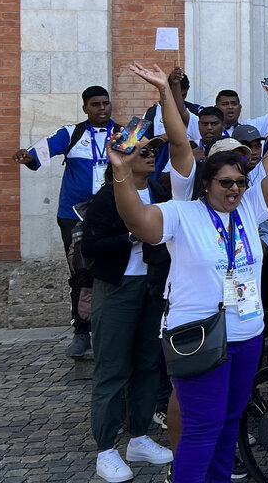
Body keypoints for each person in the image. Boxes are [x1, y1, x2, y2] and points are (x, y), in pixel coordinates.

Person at [110, 65, 268, 482]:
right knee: (202, 429)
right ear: (206, 183)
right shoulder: (182, 213)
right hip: (199, 335)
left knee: (229, 424)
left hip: (245, 333)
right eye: (226, 182)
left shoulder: (249, 207)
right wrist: (122, 169)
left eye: (241, 182)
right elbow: (139, 221)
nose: (234, 189)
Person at [81, 137, 175, 482]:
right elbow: (92, 244)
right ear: (126, 157)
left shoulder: (159, 191)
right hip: (117, 287)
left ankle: (138, 437)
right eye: (144, 151)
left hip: (152, 287)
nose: (151, 156)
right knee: (112, 368)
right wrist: (134, 236)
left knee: (148, 364)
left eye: (153, 151)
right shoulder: (109, 195)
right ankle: (106, 449)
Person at [12, 84, 115, 358]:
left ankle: (111, 334)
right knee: (80, 273)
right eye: (96, 104)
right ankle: (81, 333)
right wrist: (28, 156)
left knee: (114, 271)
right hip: (74, 216)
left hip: (114, 214)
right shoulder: (71, 133)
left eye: (106, 103)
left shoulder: (123, 134)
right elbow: (42, 151)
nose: (102, 109)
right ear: (85, 108)